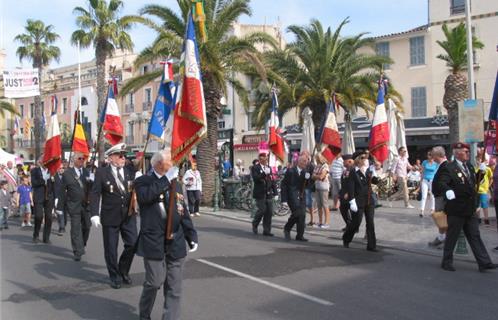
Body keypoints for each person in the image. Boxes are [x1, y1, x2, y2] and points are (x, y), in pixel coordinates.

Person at [135, 149, 198, 320]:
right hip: (153, 239)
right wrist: (165, 179)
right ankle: (144, 313)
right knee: (154, 282)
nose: (174, 165)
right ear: (158, 164)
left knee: (174, 287)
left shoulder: (175, 183)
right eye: (170, 161)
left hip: (175, 240)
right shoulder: (143, 181)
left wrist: (191, 236)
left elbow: (182, 210)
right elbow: (146, 197)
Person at [433, 142, 497, 272]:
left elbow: (474, 185)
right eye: (465, 152)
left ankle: (484, 262)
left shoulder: (469, 166)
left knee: (475, 236)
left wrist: (481, 173)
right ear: (457, 153)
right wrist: (447, 190)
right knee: (452, 236)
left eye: (468, 152)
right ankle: (446, 262)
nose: (468, 154)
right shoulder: (449, 167)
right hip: (456, 208)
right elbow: (441, 183)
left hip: (469, 208)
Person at [90, 143, 138, 288]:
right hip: (110, 216)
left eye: (124, 155)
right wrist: (94, 214)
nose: (123, 158)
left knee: (133, 243)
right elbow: (95, 193)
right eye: (120, 155)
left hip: (128, 215)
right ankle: (114, 275)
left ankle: (123, 270)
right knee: (111, 248)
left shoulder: (130, 170)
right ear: (111, 157)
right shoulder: (102, 173)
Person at [57, 152, 94, 261]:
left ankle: (82, 243)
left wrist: (92, 181)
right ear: (74, 160)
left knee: (87, 226)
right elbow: (62, 191)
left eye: (83, 158)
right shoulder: (67, 173)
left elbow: (93, 190)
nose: (82, 160)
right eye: (80, 158)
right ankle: (77, 250)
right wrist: (59, 207)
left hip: (86, 205)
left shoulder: (87, 172)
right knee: (75, 228)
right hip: (73, 205)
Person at [342, 150, 380, 252]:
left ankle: (371, 245)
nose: (365, 159)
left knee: (370, 222)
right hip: (358, 201)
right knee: (356, 222)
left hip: (369, 200)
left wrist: (376, 177)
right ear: (358, 159)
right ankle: (346, 238)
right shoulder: (353, 172)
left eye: (365, 157)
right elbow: (351, 187)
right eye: (363, 157)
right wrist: (352, 201)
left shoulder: (367, 170)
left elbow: (374, 181)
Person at [282, 154, 311, 241]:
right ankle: (287, 228)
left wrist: (308, 179)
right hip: (292, 196)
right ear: (299, 162)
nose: (306, 163)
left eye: (306, 162)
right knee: (298, 213)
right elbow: (284, 185)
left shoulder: (305, 172)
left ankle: (300, 235)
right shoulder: (290, 171)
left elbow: (308, 186)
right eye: (304, 161)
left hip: (302, 196)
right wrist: (284, 199)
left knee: (302, 215)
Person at [427, 146, 448, 248]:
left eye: (433, 155)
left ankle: (443, 239)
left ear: (438, 155)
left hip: (442, 197)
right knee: (440, 219)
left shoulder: (446, 165)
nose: (432, 157)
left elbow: (445, 183)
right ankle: (442, 238)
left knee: (441, 219)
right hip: (439, 197)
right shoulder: (440, 165)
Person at [251, 152, 276, 236]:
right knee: (262, 210)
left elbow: (272, 180)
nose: (265, 161)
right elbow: (256, 179)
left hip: (268, 193)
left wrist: (275, 192)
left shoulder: (269, 168)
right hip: (260, 193)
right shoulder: (255, 168)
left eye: (265, 159)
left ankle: (267, 230)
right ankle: (255, 223)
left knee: (269, 212)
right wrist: (264, 173)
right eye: (262, 159)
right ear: (260, 160)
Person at [31, 158, 55, 244]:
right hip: (38, 196)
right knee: (38, 216)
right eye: (44, 160)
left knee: (49, 217)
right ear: (40, 162)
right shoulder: (35, 171)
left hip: (49, 197)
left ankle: (46, 237)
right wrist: (43, 180)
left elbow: (55, 185)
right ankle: (36, 235)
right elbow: (34, 183)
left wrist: (56, 198)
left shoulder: (51, 171)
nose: (46, 162)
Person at [312, 153, 330, 228]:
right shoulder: (317, 166)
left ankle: (327, 222)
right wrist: (317, 176)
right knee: (319, 205)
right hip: (317, 187)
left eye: (317, 158)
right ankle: (320, 222)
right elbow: (312, 176)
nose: (316, 159)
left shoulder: (325, 166)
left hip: (324, 187)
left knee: (325, 205)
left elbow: (321, 177)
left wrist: (316, 176)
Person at [475, 156, 493, 225]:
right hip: (476, 190)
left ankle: (486, 219)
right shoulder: (475, 169)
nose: (478, 162)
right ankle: (478, 219)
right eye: (477, 160)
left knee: (485, 205)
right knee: (477, 206)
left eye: (479, 160)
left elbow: (491, 178)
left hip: (484, 191)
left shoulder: (487, 169)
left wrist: (488, 186)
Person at [419, 151, 438, 217]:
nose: (429, 156)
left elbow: (436, 173)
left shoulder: (436, 164)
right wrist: (421, 180)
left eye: (430, 155)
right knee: (424, 196)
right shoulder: (424, 162)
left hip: (432, 180)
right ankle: (422, 210)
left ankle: (432, 210)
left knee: (432, 196)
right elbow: (422, 171)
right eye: (428, 155)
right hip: (425, 180)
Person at [338, 155, 354, 230]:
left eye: (344, 161)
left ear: (349, 161)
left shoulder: (353, 169)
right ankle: (349, 224)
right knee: (343, 209)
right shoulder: (345, 170)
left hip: (351, 194)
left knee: (352, 211)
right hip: (343, 193)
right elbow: (343, 182)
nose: (343, 162)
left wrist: (348, 192)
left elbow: (353, 183)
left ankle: (353, 227)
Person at [53, 165, 66, 234]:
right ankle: (61, 227)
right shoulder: (54, 177)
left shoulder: (67, 176)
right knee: (60, 213)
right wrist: (55, 197)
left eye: (62, 168)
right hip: (58, 197)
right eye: (60, 168)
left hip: (66, 197)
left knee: (65, 213)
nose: (61, 169)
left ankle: (63, 225)